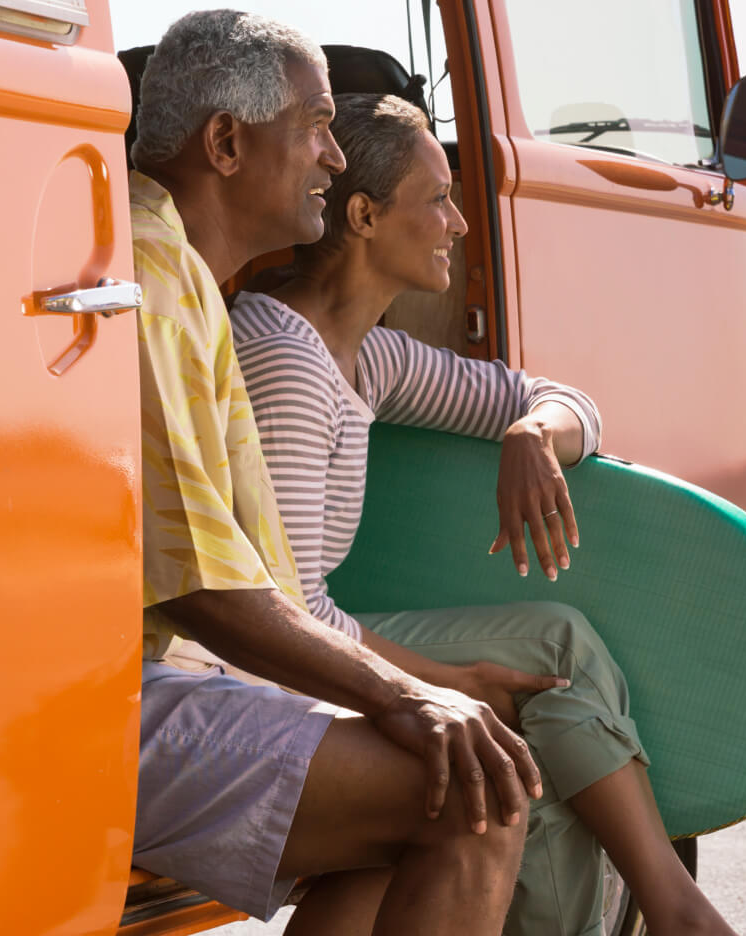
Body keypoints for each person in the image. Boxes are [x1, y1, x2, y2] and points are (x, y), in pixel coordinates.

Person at [217, 93, 739, 936]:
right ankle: (664, 905)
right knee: (534, 687)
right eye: (438, 199)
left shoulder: (367, 355)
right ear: (362, 216)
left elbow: (561, 399)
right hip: (252, 672)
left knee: (548, 671)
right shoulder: (286, 366)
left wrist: (534, 432)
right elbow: (283, 619)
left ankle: (664, 905)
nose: (459, 223)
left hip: (312, 641)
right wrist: (445, 686)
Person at [127, 14, 552, 935]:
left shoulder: (185, 273)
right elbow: (209, 592)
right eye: (315, 127)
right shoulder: (155, 276)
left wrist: (412, 694)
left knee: (442, 787)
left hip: (155, 681)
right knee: (482, 792)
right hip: (106, 701)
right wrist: (413, 693)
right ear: (228, 143)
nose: (332, 157)